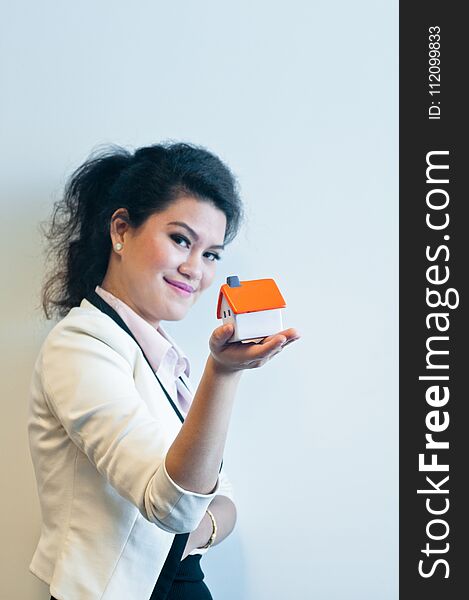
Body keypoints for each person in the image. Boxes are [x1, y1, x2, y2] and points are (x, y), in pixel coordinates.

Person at [28, 141, 300, 600]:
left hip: (177, 583)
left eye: (212, 254)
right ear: (121, 229)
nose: (195, 269)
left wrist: (198, 530)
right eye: (180, 240)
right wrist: (224, 372)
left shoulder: (161, 355)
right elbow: (175, 507)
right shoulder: (79, 348)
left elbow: (220, 493)